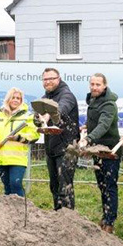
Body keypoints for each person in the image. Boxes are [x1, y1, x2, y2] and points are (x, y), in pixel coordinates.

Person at [82, 73, 121, 233]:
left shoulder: (109, 104)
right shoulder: (93, 100)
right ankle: (105, 215)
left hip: (110, 151)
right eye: (92, 84)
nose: (94, 87)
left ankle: (110, 221)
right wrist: (86, 127)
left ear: (104, 86)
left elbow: (104, 124)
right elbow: (95, 121)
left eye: (98, 84)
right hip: (97, 150)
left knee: (110, 185)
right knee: (101, 184)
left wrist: (89, 138)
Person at [39, 68, 80, 210]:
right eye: (45, 79)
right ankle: (58, 218)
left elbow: (61, 108)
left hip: (67, 148)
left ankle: (68, 221)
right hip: (52, 148)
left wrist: (49, 115)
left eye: (52, 78)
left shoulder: (66, 94)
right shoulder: (46, 97)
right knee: (54, 186)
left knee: (65, 187)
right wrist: (37, 119)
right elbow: (39, 119)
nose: (48, 81)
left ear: (59, 78)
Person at [0, 87, 39, 197]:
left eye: (18, 98)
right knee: (7, 186)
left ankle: (21, 209)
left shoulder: (27, 116)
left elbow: (34, 135)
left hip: (18, 158)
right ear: (8, 99)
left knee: (15, 184)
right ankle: (10, 212)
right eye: (13, 97)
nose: (16, 100)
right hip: (1, 157)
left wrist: (18, 137)